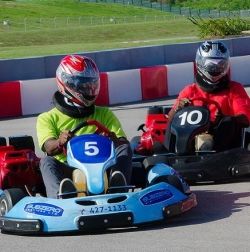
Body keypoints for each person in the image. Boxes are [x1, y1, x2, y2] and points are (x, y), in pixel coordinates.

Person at [36, 54, 132, 199]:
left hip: (104, 168)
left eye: (92, 83)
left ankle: (117, 188)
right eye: (83, 84)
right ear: (67, 83)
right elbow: (48, 147)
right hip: (68, 170)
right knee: (46, 161)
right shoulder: (48, 118)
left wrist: (114, 140)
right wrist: (59, 142)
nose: (90, 88)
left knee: (125, 148)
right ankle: (61, 197)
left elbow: (122, 143)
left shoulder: (104, 113)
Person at [167, 40, 250, 151]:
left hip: (226, 147)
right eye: (211, 66)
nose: (216, 70)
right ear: (201, 63)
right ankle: (171, 156)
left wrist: (223, 119)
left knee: (228, 122)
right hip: (189, 145)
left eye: (221, 65)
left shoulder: (234, 90)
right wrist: (177, 110)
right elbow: (169, 121)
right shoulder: (189, 92)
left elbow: (246, 119)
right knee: (172, 126)